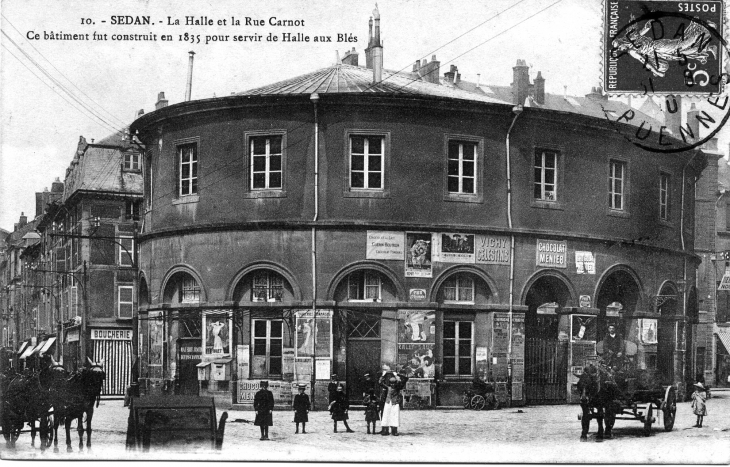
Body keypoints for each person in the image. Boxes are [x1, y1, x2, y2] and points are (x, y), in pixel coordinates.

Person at [379, 370, 409, 436]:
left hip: (395, 403)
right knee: (386, 416)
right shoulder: (388, 388)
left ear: (396, 383)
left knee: (395, 417)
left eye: (394, 383)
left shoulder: (398, 388)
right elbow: (380, 383)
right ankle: (385, 430)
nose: (392, 384)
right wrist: (383, 375)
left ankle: (394, 430)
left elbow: (403, 381)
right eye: (391, 383)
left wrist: (396, 375)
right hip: (388, 403)